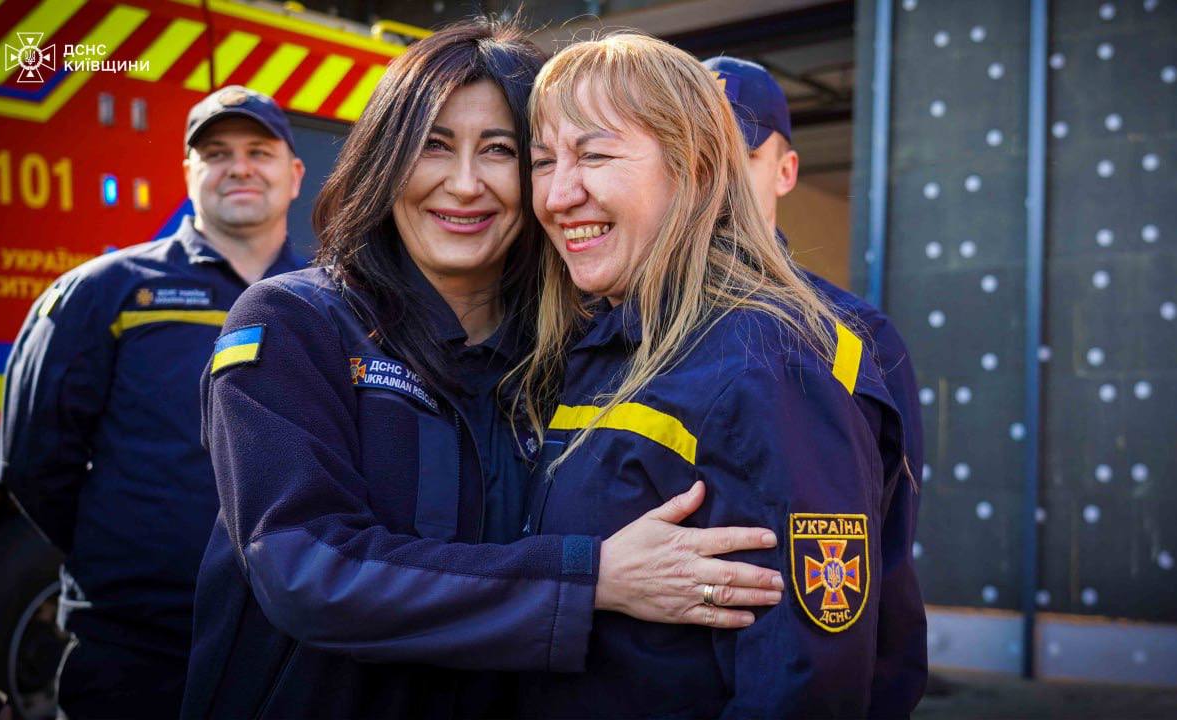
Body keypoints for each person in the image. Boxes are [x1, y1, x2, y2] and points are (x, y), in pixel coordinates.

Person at [183, 21, 784, 719]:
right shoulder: (294, 322)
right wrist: (587, 579)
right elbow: (303, 568)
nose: (464, 185)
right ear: (385, 158)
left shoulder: (571, 355)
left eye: (500, 150)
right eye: (433, 145)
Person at [515, 33, 909, 717]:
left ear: (694, 168)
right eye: (544, 161)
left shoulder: (766, 361)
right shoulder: (594, 342)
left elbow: (805, 686)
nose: (557, 195)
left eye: (595, 155)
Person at [0, 86, 306, 718]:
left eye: (259, 151)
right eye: (216, 154)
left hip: (289, 641)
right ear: (188, 173)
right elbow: (34, 464)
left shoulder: (333, 302)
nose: (239, 167)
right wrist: (131, 549)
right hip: (136, 648)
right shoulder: (103, 293)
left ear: (295, 174)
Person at [705, 55, 928, 717]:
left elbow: (884, 555)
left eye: (740, 154)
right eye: (696, 154)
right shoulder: (610, 320)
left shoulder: (853, 336)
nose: (715, 178)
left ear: (786, 170)